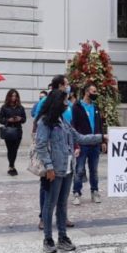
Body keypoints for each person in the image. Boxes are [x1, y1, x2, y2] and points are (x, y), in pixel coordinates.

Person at [35, 87, 104, 253]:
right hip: (54, 171)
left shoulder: (63, 122)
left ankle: (63, 237)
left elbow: (79, 137)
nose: (67, 103)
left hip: (67, 170)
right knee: (50, 204)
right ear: (57, 102)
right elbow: (41, 145)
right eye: (65, 100)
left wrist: (102, 136)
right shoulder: (45, 121)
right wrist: (49, 167)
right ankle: (48, 238)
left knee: (62, 204)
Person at [33, 75, 75, 231]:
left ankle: (62, 225)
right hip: (53, 163)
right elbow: (41, 141)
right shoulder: (48, 104)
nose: (69, 86)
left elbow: (73, 130)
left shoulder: (65, 108)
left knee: (62, 200)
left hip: (65, 158)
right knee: (48, 195)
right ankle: (44, 222)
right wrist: (49, 166)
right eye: (67, 84)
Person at [72, 82, 106, 204]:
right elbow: (73, 126)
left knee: (94, 170)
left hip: (95, 144)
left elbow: (99, 125)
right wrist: (76, 144)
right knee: (79, 169)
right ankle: (76, 193)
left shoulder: (96, 107)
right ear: (87, 92)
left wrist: (102, 140)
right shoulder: (77, 106)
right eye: (93, 91)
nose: (95, 94)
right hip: (82, 143)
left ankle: (95, 191)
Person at [0, 89, 27, 176]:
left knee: (15, 149)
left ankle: (11, 166)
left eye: (15, 96)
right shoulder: (4, 107)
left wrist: (20, 119)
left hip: (18, 130)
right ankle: (11, 166)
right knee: (10, 149)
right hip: (8, 131)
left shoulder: (20, 107)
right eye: (12, 96)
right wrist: (8, 120)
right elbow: (0, 119)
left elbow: (24, 119)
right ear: (9, 97)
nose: (14, 98)